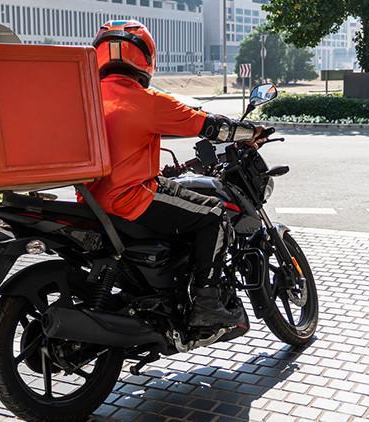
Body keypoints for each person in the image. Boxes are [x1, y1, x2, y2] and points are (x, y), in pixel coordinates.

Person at [88, 20, 267, 327]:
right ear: (146, 58)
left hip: (91, 201)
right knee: (215, 215)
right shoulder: (148, 102)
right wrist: (252, 132)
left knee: (175, 193)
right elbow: (210, 126)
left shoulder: (87, 100)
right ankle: (206, 302)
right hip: (132, 198)